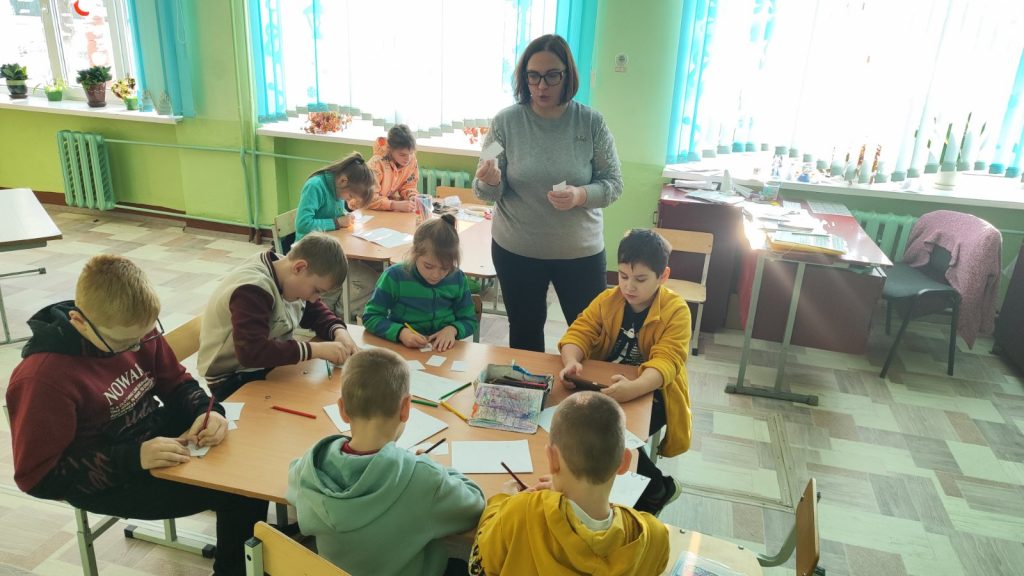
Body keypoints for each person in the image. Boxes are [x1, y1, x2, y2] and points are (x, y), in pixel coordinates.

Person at [6, 254, 267, 576]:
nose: (135, 348)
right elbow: (39, 479)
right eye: (123, 343)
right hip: (107, 477)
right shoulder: (43, 379)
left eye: (142, 337)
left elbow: (177, 383)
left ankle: (248, 557)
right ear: (79, 322)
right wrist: (134, 458)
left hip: (150, 437)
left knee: (248, 455)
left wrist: (207, 412)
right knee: (239, 491)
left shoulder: (133, 329)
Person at [472, 34, 623, 352]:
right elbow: (484, 187)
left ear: (567, 76)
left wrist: (581, 195)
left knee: (594, 339)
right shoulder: (505, 123)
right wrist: (491, 180)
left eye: (552, 75)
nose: (541, 86)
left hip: (580, 254)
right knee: (525, 336)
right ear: (523, 77)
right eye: (533, 76)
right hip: (517, 252)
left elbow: (613, 184)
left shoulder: (591, 123)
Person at [287, 348, 485, 576]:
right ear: (406, 407)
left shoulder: (311, 467)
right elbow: (474, 506)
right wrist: (435, 467)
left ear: (342, 409)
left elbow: (292, 480)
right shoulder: (424, 479)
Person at [558, 229, 692, 516]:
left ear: (663, 276)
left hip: (654, 392)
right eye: (622, 276)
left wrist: (632, 389)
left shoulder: (676, 310)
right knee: (578, 426)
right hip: (608, 386)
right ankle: (627, 491)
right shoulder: (609, 299)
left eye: (640, 279)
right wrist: (571, 360)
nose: (629, 286)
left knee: (606, 436)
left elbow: (666, 363)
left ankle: (654, 491)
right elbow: (579, 331)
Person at [469, 392, 670, 575]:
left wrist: (502, 500)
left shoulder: (519, 512)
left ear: (552, 459)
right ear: (624, 462)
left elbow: (479, 563)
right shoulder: (653, 536)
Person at [198, 232, 359, 399]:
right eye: (316, 290)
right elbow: (251, 352)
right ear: (299, 267)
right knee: (308, 399)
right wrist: (316, 350)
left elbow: (315, 311)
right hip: (232, 378)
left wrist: (339, 332)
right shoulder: (252, 289)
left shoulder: (287, 271)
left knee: (319, 394)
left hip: (265, 365)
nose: (314, 298)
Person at [362, 214, 478, 352]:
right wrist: (401, 333)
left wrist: (452, 330)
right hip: (403, 349)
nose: (436, 275)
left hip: (443, 351)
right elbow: (371, 317)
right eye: (428, 266)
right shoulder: (395, 277)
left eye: (445, 268)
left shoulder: (457, 278)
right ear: (415, 253)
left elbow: (470, 320)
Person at [294, 151, 379, 318]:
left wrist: (345, 216)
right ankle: (339, 316)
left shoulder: (337, 187)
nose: (348, 200)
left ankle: (335, 312)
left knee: (375, 269)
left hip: (330, 248)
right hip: (312, 253)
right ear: (343, 181)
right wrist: (337, 222)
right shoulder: (315, 186)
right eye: (350, 196)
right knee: (370, 280)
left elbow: (333, 212)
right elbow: (303, 224)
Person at [366, 124, 420, 212]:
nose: (408, 159)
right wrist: (394, 205)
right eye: (402, 155)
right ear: (390, 149)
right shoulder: (376, 164)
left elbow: (409, 185)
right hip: (365, 210)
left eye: (411, 153)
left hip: (383, 210)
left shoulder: (411, 160)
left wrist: (412, 196)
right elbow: (368, 199)